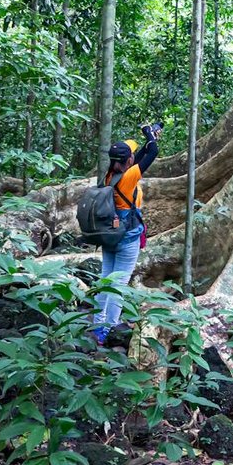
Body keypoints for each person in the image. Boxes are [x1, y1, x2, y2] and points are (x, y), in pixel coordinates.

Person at [91, 123, 161, 344]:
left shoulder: (110, 174)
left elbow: (139, 154)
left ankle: (97, 324)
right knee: (120, 282)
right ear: (128, 161)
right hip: (126, 237)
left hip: (108, 235)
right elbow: (152, 153)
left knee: (106, 278)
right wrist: (150, 136)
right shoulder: (130, 177)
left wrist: (151, 133)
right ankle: (110, 328)